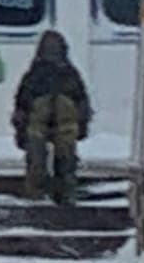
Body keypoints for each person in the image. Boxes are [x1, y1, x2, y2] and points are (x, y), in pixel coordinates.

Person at [11, 29, 91, 206]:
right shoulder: (71, 74)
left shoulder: (33, 75)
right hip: (63, 122)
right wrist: (83, 124)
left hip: (43, 122)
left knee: (39, 160)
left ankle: (37, 194)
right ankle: (64, 194)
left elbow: (21, 104)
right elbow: (82, 101)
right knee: (65, 159)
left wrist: (20, 129)